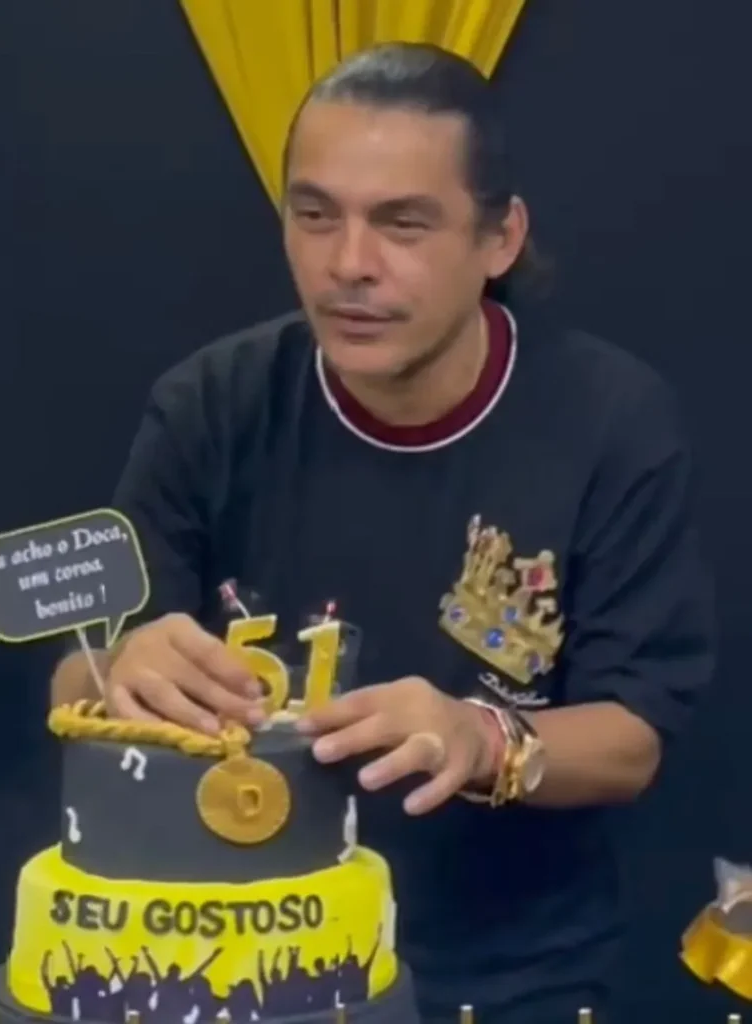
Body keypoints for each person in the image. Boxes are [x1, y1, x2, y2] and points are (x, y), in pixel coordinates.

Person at [51, 42, 715, 1024]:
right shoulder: (209, 404)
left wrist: (479, 738)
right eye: (315, 215)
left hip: (507, 975)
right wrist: (118, 670)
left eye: (403, 223)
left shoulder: (610, 421)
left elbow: (630, 741)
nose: (348, 264)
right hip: (234, 959)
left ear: (499, 237)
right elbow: (78, 676)